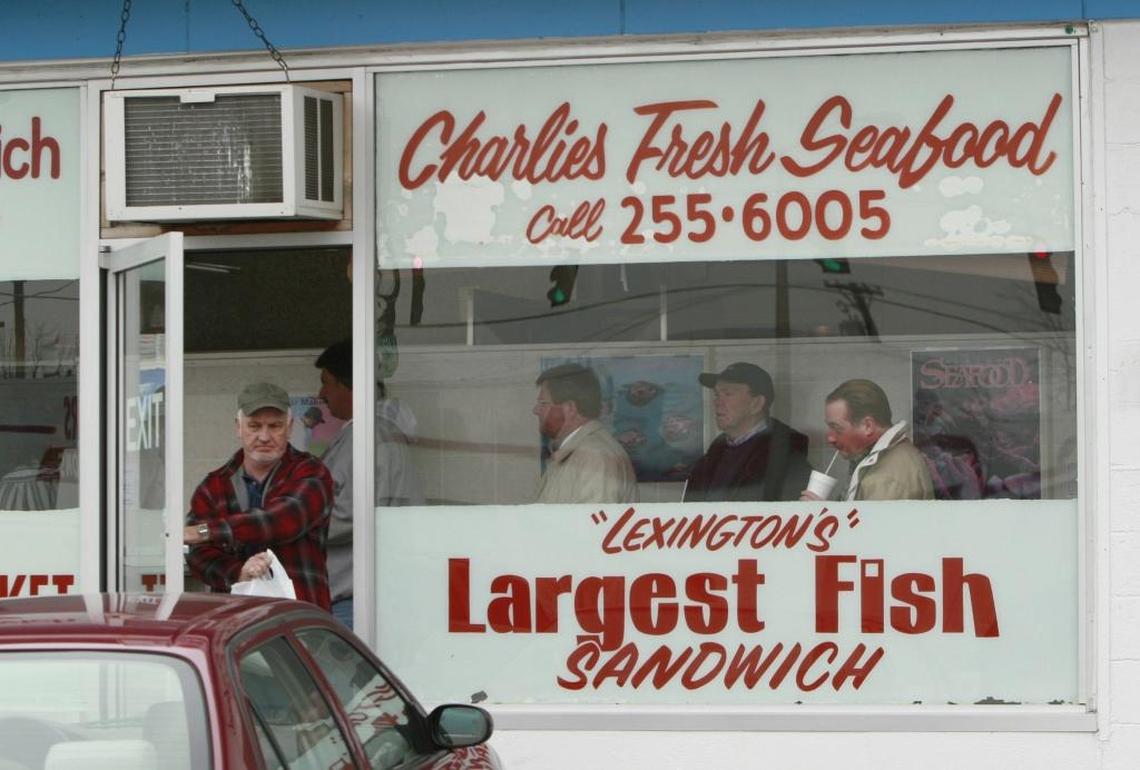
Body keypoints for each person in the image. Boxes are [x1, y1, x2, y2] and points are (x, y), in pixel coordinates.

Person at [183, 382, 334, 609]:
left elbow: (279, 520)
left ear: (290, 427)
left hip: (300, 619)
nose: (264, 436)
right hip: (235, 622)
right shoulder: (213, 485)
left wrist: (205, 531)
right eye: (254, 426)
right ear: (238, 427)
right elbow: (198, 555)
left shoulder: (311, 472)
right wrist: (239, 572)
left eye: (275, 426)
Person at [315, 338, 423, 629]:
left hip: (355, 594)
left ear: (349, 384)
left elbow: (352, 513)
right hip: (362, 589)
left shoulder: (368, 437)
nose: (321, 393)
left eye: (327, 382)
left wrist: (296, 525)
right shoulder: (373, 433)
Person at [683, 362, 812, 502]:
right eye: (716, 394)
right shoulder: (714, 454)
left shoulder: (786, 457)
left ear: (756, 404)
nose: (717, 402)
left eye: (728, 393)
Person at [802, 378, 934, 501]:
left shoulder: (884, 479)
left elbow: (873, 526)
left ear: (868, 426)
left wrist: (820, 518)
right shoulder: (896, 453)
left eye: (837, 428)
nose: (830, 438)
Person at [534, 363, 638, 504]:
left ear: (569, 408)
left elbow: (593, 524)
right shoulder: (580, 451)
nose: (536, 410)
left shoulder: (595, 456)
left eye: (543, 403)